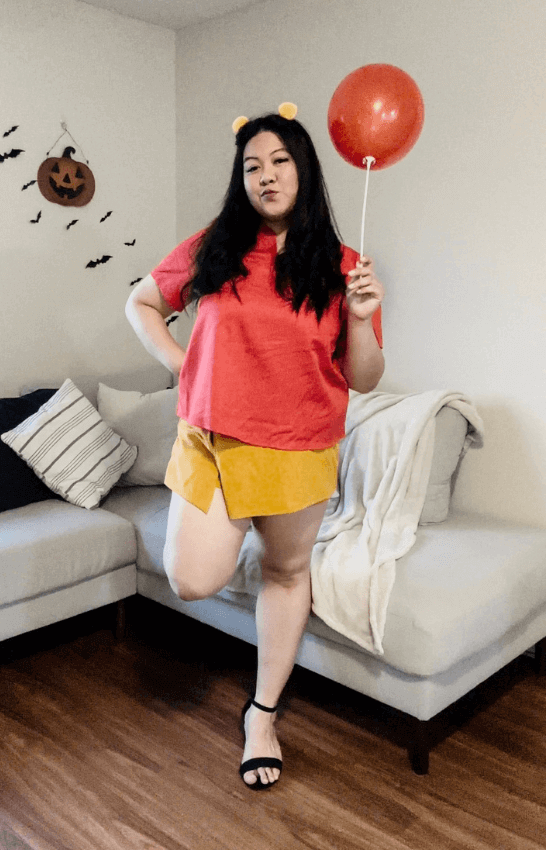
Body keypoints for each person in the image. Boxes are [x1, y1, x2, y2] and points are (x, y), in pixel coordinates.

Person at [125, 111, 384, 790]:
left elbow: (363, 378)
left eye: (279, 161)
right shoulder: (214, 245)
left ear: (305, 170)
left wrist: (360, 320)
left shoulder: (343, 266)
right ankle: (239, 528)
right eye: (251, 166)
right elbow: (141, 303)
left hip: (299, 447)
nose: (266, 176)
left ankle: (262, 715)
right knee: (191, 578)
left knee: (285, 574)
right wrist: (183, 364)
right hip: (212, 439)